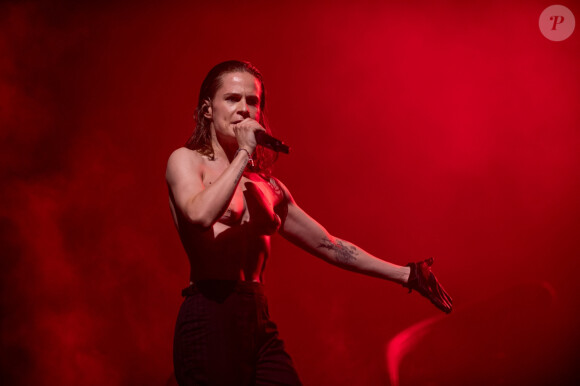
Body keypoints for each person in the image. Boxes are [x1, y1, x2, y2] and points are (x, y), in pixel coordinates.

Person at [166, 60, 452, 386]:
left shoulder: (267, 186)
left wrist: (407, 274)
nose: (244, 110)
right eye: (232, 99)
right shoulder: (186, 162)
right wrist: (244, 153)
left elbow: (327, 244)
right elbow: (199, 214)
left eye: (253, 101)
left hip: (256, 314)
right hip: (210, 311)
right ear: (207, 109)